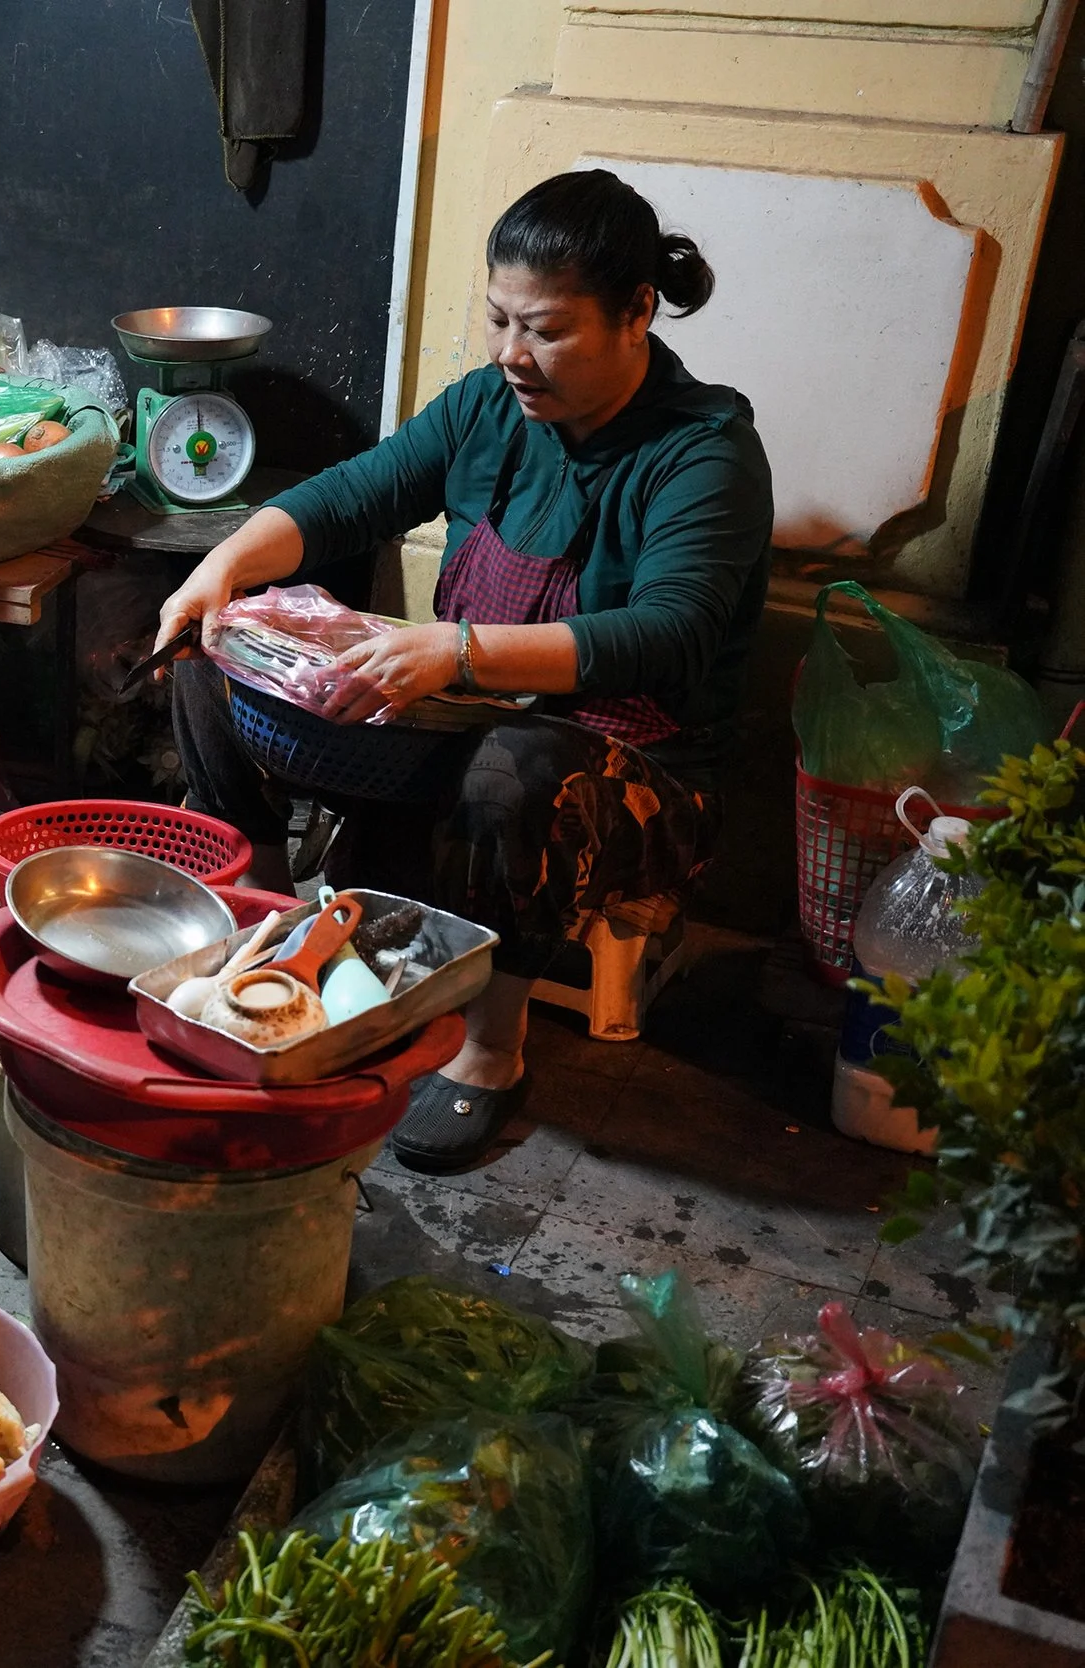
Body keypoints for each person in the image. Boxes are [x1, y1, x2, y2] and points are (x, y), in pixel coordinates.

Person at [158, 169, 774, 1172]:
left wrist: (457, 650)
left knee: (515, 767)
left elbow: (669, 631)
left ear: (636, 314)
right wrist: (215, 574)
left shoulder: (702, 454)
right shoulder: (485, 410)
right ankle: (265, 936)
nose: (510, 355)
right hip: (457, 721)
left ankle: (492, 1050)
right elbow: (346, 499)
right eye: (496, 320)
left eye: (546, 330)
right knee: (210, 663)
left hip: (631, 770)